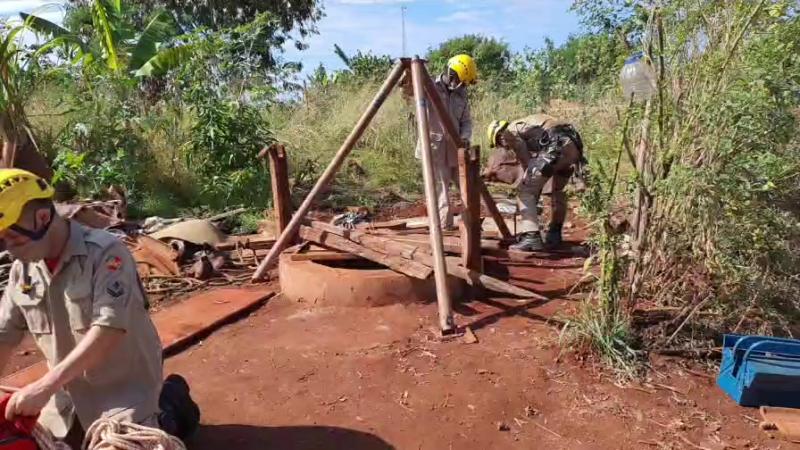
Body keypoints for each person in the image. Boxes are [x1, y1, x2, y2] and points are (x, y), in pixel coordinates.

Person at [0, 169, 198, 444]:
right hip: (64, 404)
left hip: (122, 396)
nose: (9, 250)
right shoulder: (23, 271)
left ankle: (169, 406)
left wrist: (44, 386)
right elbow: (3, 335)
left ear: (42, 218)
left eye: (14, 238)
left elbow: (109, 330)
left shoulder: (105, 254)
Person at [485, 114, 586, 251]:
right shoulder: (527, 126)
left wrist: (531, 190)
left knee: (524, 191)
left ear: (499, 136)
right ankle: (554, 233)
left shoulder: (510, 131)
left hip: (555, 147)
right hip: (572, 147)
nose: (506, 148)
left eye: (500, 145)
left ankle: (531, 238)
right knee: (556, 191)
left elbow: (527, 163)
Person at [404, 54, 477, 230]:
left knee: (467, 187)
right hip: (434, 149)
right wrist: (407, 75)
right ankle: (444, 227)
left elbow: (466, 121)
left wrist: (465, 137)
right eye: (461, 80)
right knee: (441, 190)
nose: (462, 84)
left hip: (455, 149)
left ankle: (471, 226)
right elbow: (408, 92)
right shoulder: (430, 87)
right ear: (453, 73)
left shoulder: (461, 95)